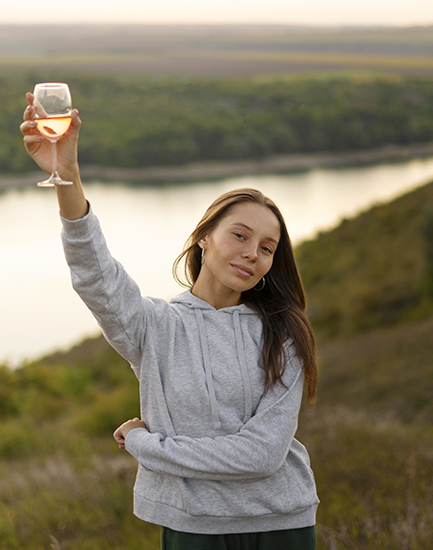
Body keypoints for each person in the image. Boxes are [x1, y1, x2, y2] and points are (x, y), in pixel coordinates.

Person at [21, 92, 319, 550]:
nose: (251, 254)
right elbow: (95, 274)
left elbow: (262, 456)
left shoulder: (285, 333)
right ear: (204, 237)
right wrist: (68, 177)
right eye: (239, 235)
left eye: (266, 247)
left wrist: (145, 444)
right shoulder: (154, 327)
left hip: (282, 523)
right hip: (192, 527)